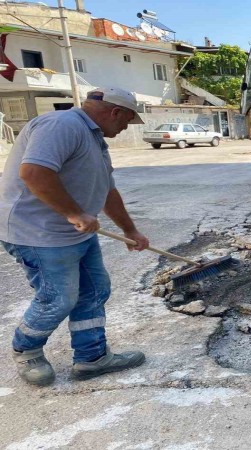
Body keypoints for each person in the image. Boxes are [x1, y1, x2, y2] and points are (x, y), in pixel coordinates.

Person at [0, 87, 151, 386]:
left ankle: (91, 357)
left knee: (95, 290)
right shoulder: (62, 125)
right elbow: (33, 173)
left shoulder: (95, 140)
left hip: (74, 234)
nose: (124, 129)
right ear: (115, 112)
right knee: (58, 298)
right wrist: (74, 213)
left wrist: (129, 230)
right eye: (127, 121)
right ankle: (26, 351)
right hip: (38, 233)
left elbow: (107, 190)